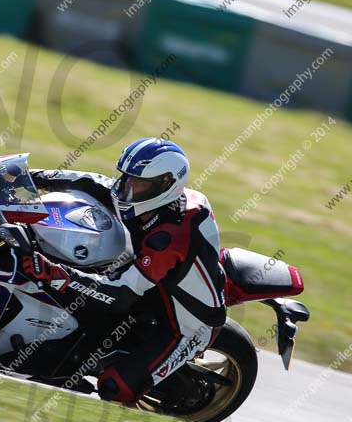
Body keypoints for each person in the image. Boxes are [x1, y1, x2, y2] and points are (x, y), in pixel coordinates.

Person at [28, 138, 226, 404]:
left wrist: (56, 274)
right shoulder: (148, 199)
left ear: (165, 185)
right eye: (126, 179)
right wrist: (28, 177)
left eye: (139, 184)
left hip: (185, 324)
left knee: (115, 388)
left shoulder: (169, 236)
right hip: (155, 288)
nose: (128, 189)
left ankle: (174, 390)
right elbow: (90, 181)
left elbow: (121, 293)